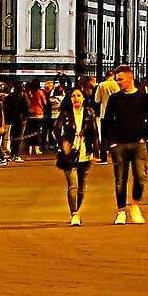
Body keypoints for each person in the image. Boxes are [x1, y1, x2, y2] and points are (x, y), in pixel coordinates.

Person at [101, 65, 148, 223]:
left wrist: (145, 137)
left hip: (138, 143)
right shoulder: (114, 98)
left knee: (140, 176)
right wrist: (110, 142)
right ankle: (121, 210)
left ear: (130, 79)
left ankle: (135, 204)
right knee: (120, 180)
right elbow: (107, 121)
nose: (118, 83)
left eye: (120, 79)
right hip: (119, 144)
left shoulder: (144, 98)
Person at [55, 81, 95, 224]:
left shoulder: (89, 113)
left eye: (78, 96)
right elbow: (56, 130)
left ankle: (77, 208)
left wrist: (96, 151)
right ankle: (74, 213)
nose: (76, 98)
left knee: (82, 187)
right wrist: (63, 142)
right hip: (69, 153)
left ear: (83, 98)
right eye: (73, 96)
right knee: (73, 184)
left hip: (85, 152)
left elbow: (94, 132)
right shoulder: (65, 114)